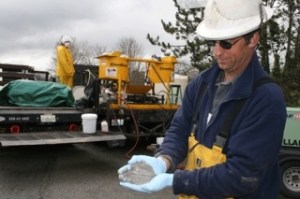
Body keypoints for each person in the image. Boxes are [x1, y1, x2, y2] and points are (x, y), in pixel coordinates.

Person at [118, 0, 287, 198]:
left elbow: (242, 175)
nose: (217, 52)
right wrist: (165, 160)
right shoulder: (201, 84)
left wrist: (176, 180)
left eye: (226, 43)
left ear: (253, 40)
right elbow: (180, 129)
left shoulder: (266, 99)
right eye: (212, 43)